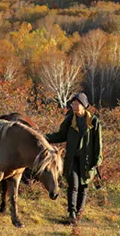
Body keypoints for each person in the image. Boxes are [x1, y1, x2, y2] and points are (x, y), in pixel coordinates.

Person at [45, 92, 103, 225]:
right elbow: (61, 135)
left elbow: (98, 144)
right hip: (72, 159)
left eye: (77, 103)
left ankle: (78, 213)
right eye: (73, 104)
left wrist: (96, 162)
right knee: (73, 186)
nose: (74, 106)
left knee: (84, 187)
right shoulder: (70, 119)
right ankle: (71, 214)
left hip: (88, 161)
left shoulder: (94, 121)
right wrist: (44, 137)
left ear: (84, 105)